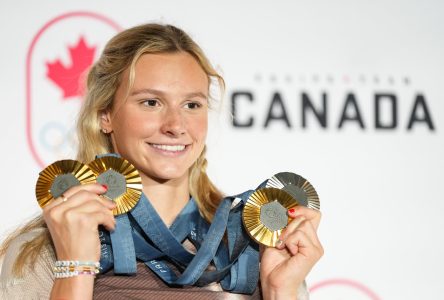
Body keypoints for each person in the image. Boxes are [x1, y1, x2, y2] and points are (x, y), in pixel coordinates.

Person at [0, 23, 323, 299]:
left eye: (191, 105)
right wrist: (76, 266)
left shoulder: (255, 246)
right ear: (105, 115)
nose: (175, 125)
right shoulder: (44, 249)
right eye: (151, 102)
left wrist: (281, 290)